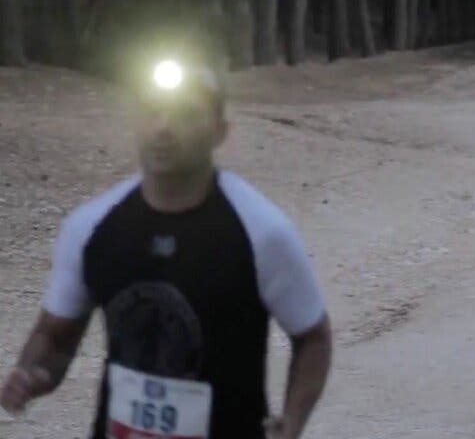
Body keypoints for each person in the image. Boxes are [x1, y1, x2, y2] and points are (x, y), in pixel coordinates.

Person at [0, 39, 333, 438]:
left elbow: (313, 338)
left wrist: (292, 422)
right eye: (152, 112)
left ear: (220, 132)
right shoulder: (91, 228)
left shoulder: (261, 231)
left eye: (185, 115)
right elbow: (54, 339)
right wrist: (31, 375)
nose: (163, 128)